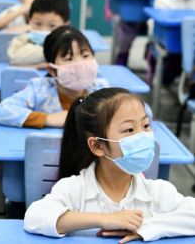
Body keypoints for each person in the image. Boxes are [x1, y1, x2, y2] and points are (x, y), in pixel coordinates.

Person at [24, 87, 195, 243]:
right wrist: (103, 219)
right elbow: (34, 217)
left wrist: (147, 227)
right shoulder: (74, 189)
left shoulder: (157, 192)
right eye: (129, 130)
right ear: (97, 146)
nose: (143, 136)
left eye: (145, 125)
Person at [0, 26, 108, 128]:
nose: (80, 64)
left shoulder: (101, 90)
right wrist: (48, 119)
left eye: (85, 55)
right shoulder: (39, 89)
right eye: (69, 58)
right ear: (52, 70)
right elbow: (2, 111)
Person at [149, 0, 195, 85]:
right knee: (168, 74)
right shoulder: (164, 0)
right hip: (173, 48)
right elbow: (154, 26)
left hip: (192, 47)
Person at [7, 0, 70, 67]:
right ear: (30, 20)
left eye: (52, 26)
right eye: (38, 24)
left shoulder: (69, 43)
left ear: (65, 24)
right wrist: (48, 55)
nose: (44, 30)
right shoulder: (23, 39)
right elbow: (14, 58)